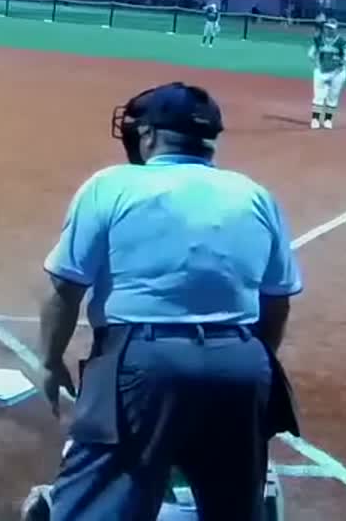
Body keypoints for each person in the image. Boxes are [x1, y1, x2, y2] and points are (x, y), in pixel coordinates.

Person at [21, 82, 302, 521]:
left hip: (143, 362)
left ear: (149, 135)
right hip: (244, 363)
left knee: (97, 500)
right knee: (233, 504)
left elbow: (65, 288)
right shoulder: (255, 194)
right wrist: (241, 360)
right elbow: (277, 302)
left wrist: (50, 359)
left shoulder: (112, 185)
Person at [308, 18, 346, 129]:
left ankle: (328, 120)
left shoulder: (342, 41)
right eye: (327, 28)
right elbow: (311, 53)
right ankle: (315, 119)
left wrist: (344, 60)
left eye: (331, 28)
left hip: (338, 73)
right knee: (318, 96)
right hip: (321, 71)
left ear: (336, 30)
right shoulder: (319, 39)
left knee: (333, 97)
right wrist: (316, 61)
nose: (329, 30)